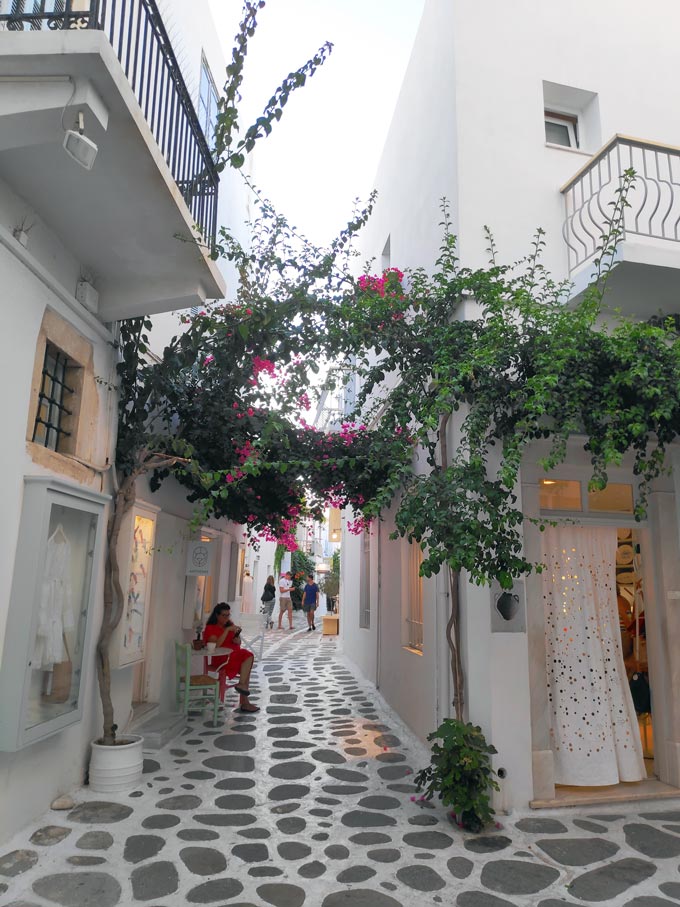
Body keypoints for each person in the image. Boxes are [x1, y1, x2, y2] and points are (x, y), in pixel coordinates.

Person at [203, 603, 259, 712]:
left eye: (228, 615)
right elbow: (216, 646)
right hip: (222, 658)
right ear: (217, 615)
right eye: (224, 615)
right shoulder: (211, 628)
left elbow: (237, 642)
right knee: (247, 657)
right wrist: (227, 631)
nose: (227, 618)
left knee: (247, 659)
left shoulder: (229, 624)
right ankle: (244, 699)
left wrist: (237, 640)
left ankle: (243, 691)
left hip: (234, 655)